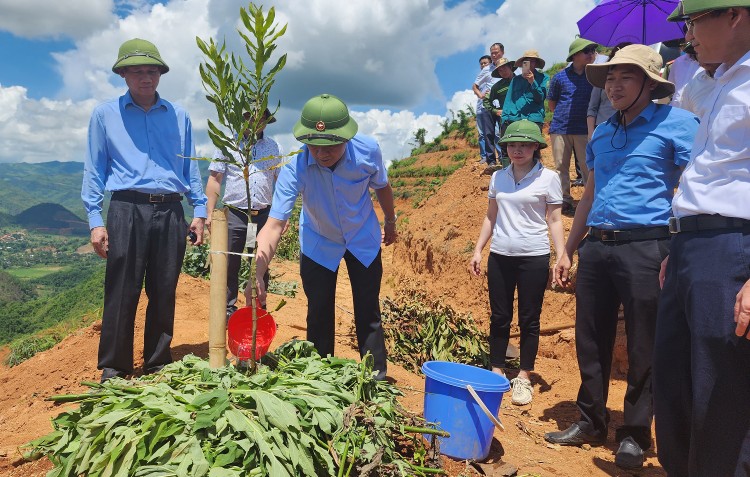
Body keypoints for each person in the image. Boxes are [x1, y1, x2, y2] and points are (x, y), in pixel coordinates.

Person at [543, 44, 699, 470]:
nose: (613, 86)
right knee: (590, 337)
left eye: (624, 77)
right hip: (597, 246)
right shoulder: (605, 131)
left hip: (648, 246)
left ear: (650, 84)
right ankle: (591, 420)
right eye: (609, 79)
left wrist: (683, 242)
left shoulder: (679, 125)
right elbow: (590, 191)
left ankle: (633, 433)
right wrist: (568, 249)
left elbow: (693, 187)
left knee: (644, 342)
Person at [654, 3, 750, 475]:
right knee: (674, 385)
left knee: (722, 396)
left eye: (693, 22)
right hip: (691, 246)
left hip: (734, 245)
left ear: (734, 15)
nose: (687, 34)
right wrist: (680, 246)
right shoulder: (714, 83)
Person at [81, 38, 207, 383]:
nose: (145, 77)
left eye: (151, 71)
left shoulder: (178, 115)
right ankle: (115, 366)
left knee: (165, 288)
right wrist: (95, 220)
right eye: (136, 71)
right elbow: (94, 169)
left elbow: (190, 166)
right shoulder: (105, 114)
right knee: (123, 288)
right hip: (126, 207)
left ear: (160, 74)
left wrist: (199, 210)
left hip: (170, 210)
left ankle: (158, 361)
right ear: (123, 75)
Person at [251, 94, 397, 380]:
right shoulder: (296, 168)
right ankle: (322, 376)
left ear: (346, 137)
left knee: (367, 309)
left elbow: (383, 187)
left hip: (362, 238)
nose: (321, 153)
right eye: (313, 145)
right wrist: (257, 270)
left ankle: (375, 378)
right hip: (319, 241)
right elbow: (274, 224)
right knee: (318, 311)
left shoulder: (368, 150)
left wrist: (390, 221)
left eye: (330, 145)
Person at [469, 119, 564, 406]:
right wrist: (478, 250)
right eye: (512, 144)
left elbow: (555, 219)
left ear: (536, 147)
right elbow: (490, 216)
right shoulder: (498, 178)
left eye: (524, 145)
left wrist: (562, 254)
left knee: (529, 318)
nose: (517, 149)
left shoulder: (549, 178)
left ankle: (523, 376)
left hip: (533, 257)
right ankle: (497, 370)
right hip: (500, 256)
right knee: (499, 316)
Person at [205, 108, 281, 316]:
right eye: (250, 117)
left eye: (261, 118)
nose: (256, 121)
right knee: (229, 262)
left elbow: (280, 181)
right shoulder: (227, 144)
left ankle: (257, 309)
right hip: (236, 216)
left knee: (259, 261)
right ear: (242, 119)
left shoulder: (273, 146)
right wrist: (210, 213)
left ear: (266, 121)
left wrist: (281, 216)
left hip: (262, 217)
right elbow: (214, 179)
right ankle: (228, 310)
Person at [548, 38, 598, 215]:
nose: (592, 54)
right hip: (561, 127)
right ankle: (564, 199)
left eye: (593, 50)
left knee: (587, 166)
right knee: (561, 165)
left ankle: (590, 200)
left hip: (584, 129)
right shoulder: (559, 77)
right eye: (587, 51)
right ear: (575, 55)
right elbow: (552, 103)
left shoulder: (595, 76)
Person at [587, 42, 633, 141]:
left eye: (625, 77)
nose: (616, 87)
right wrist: (591, 133)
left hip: (629, 130)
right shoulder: (602, 78)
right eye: (611, 79)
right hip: (603, 131)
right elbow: (592, 108)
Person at [501, 50, 549, 138]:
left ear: (536, 63)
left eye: (532, 60)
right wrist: (504, 119)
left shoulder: (544, 78)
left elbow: (540, 98)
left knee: (533, 149)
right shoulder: (515, 80)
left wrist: (532, 82)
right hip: (514, 119)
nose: (529, 63)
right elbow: (509, 100)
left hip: (534, 119)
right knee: (510, 149)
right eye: (527, 60)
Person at [473, 43, 504, 166]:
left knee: (502, 132)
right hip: (488, 106)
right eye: (492, 53)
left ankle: (505, 157)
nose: (494, 55)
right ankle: (491, 161)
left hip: (503, 105)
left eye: (496, 52)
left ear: (502, 52)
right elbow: (474, 86)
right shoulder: (486, 70)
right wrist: (481, 95)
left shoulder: (507, 67)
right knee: (488, 133)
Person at [483, 57, 516, 167]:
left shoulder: (522, 80)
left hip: (522, 119)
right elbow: (486, 101)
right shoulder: (497, 87)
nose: (503, 71)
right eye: (500, 70)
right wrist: (495, 111)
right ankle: (507, 172)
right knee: (506, 146)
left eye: (504, 68)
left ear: (510, 67)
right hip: (506, 120)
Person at [474, 55, 492, 164]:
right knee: (481, 134)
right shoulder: (479, 78)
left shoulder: (493, 75)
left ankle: (498, 155)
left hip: (491, 107)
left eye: (485, 63)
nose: (483, 65)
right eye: (481, 64)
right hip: (480, 107)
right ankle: (484, 156)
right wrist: (480, 95)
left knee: (495, 133)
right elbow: (474, 88)